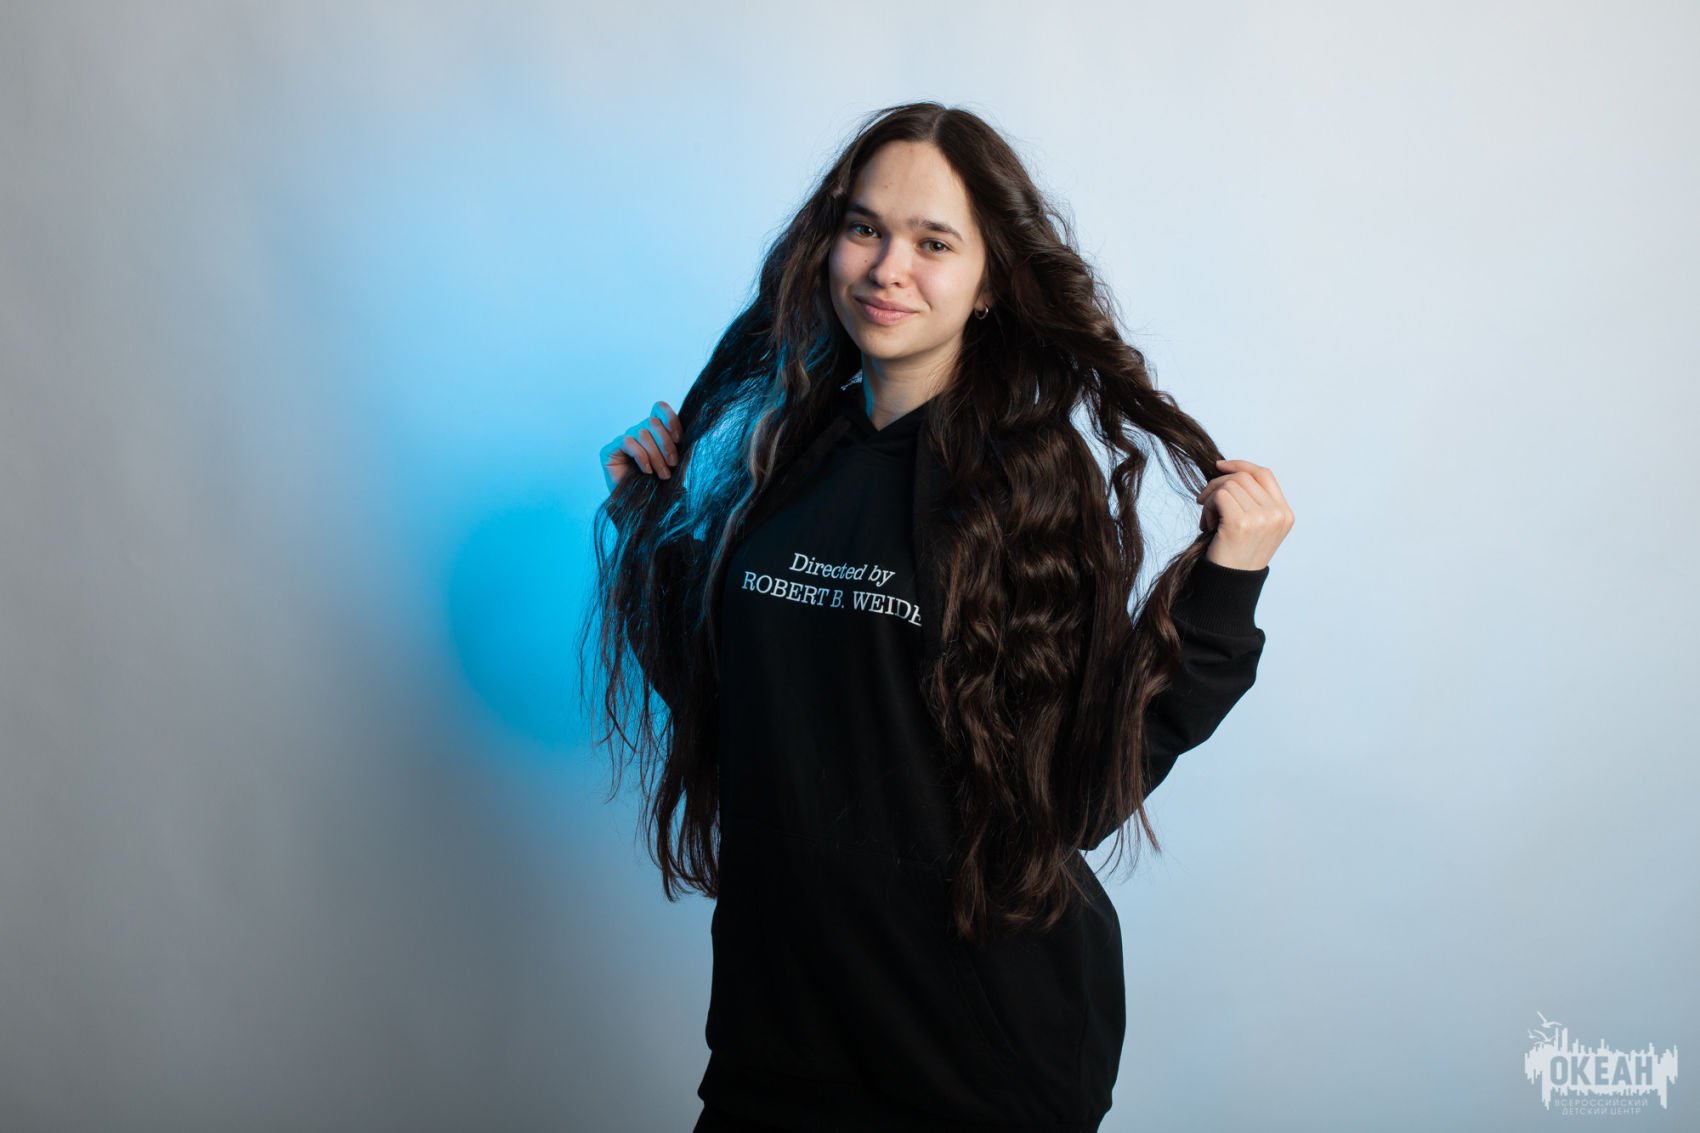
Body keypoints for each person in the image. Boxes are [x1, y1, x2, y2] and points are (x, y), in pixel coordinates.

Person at [583, 101, 1294, 1132]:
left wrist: (1226, 588)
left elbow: (1083, 789)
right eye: (864, 228)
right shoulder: (781, 463)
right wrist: (649, 527)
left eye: (933, 242)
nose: (887, 269)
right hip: (777, 1039)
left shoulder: (1031, 486)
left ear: (990, 280)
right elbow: (737, 698)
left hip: (974, 1061)